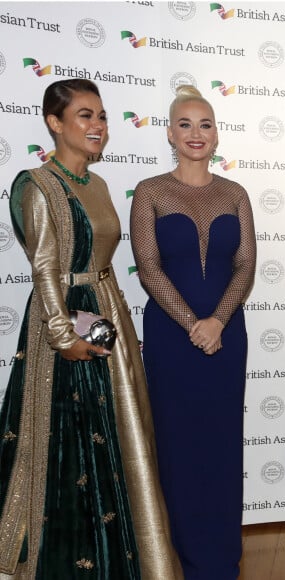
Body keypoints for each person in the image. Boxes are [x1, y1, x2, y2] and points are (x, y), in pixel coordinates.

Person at [0, 79, 182, 579]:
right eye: (84, 116)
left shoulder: (98, 185)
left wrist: (111, 322)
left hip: (107, 313)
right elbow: (43, 268)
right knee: (70, 441)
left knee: (122, 435)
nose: (97, 125)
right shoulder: (36, 186)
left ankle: (131, 554)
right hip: (65, 322)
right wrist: (63, 337)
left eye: (101, 116)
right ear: (54, 123)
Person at [130, 85, 256, 580]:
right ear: (169, 133)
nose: (195, 133)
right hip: (170, 338)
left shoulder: (236, 193)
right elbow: (147, 267)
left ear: (217, 133)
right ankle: (179, 556)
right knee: (177, 444)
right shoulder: (150, 191)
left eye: (205, 124)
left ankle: (222, 556)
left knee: (223, 444)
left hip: (227, 337)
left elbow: (245, 265)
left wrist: (218, 321)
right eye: (185, 124)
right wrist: (192, 325)